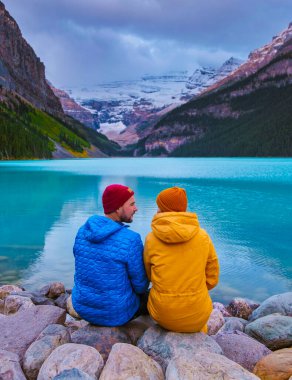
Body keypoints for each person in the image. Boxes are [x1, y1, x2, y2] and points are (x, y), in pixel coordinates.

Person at [143, 186, 219, 333]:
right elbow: (213, 278)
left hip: (163, 313)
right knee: (200, 323)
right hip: (198, 313)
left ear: (164, 209)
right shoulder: (202, 236)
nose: (157, 210)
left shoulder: (151, 239)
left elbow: (149, 275)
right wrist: (195, 290)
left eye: (159, 207)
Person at [72, 184, 149, 326]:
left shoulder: (82, 231)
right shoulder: (131, 239)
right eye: (131, 204)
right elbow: (140, 286)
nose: (136, 208)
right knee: (151, 296)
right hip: (115, 314)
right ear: (118, 207)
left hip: (82, 307)